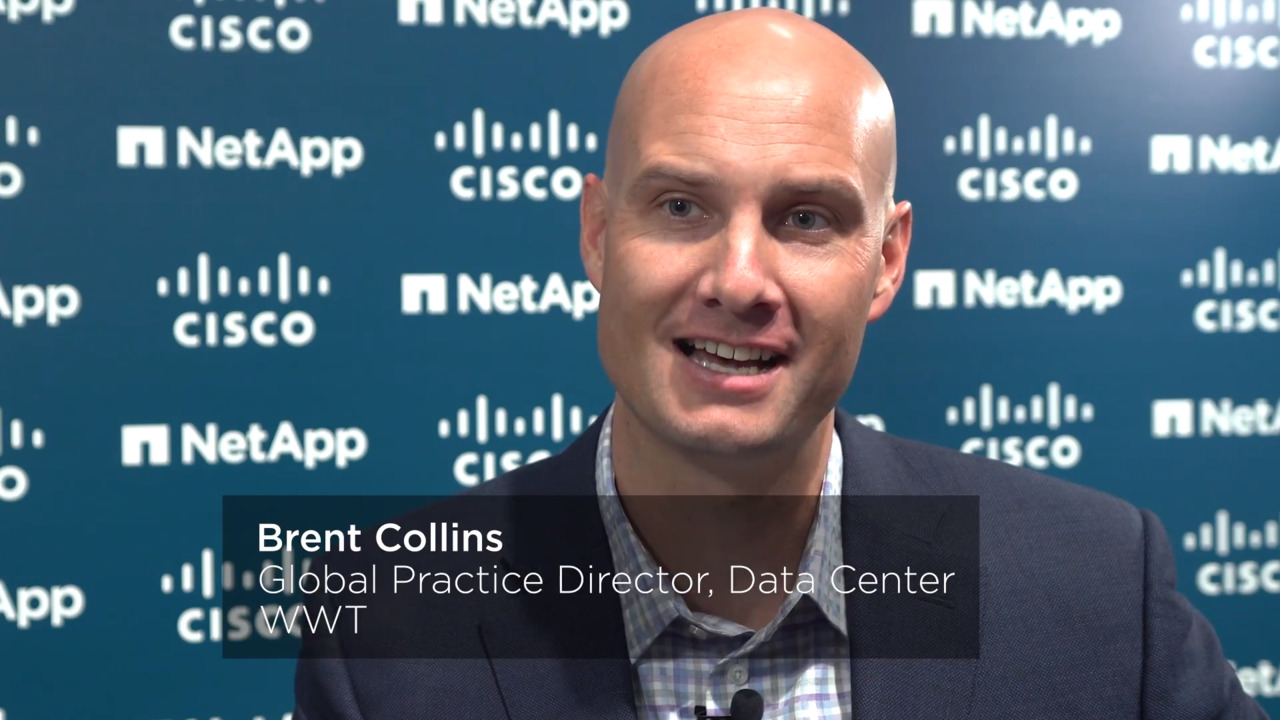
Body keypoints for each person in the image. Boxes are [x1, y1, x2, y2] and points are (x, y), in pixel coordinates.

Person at [293, 8, 1268, 719]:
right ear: (597, 233)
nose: (738, 279)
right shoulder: (383, 624)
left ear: (886, 260)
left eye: (805, 218)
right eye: (681, 207)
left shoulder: (1098, 589)